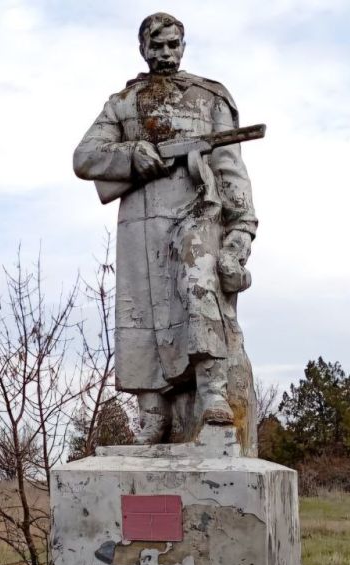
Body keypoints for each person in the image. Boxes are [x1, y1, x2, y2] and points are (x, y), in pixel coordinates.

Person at [73, 13, 257, 447]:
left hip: (197, 210)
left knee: (198, 288)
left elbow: (231, 171)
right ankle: (151, 411)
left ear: (183, 46)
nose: (165, 54)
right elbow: (85, 158)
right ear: (142, 49)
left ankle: (213, 391)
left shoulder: (210, 97)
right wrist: (135, 155)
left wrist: (242, 231)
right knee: (140, 313)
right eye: (156, 46)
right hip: (140, 223)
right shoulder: (124, 102)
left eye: (173, 45)